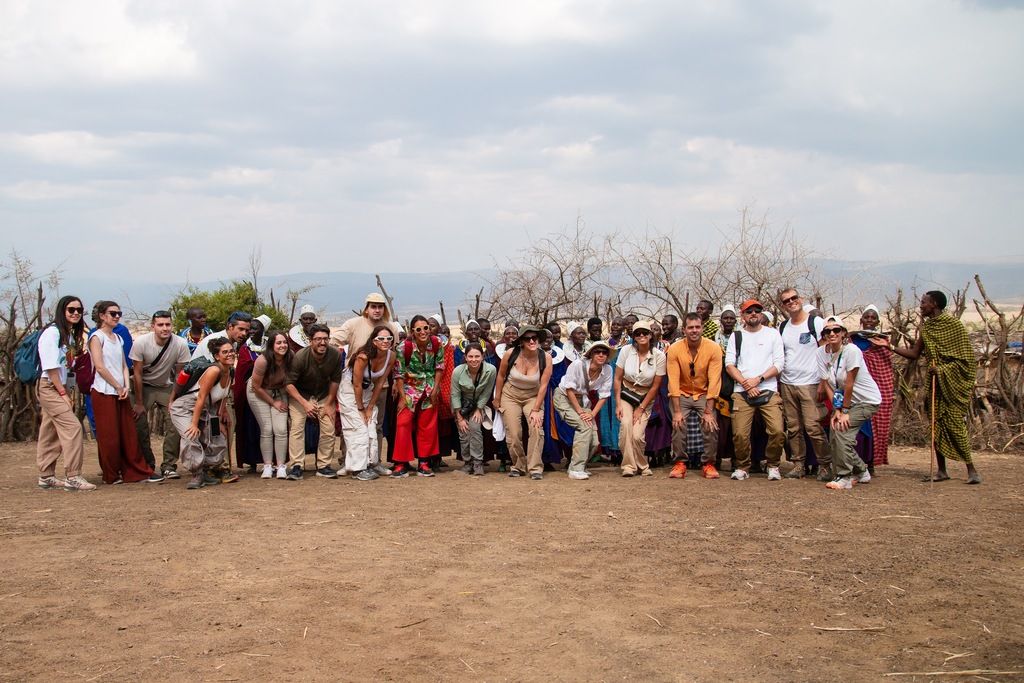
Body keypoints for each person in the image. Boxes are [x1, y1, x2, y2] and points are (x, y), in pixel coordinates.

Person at [871, 291, 981, 484]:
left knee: (955, 425)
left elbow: (966, 361)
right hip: (935, 383)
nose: (921, 306)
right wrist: (889, 346)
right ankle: (941, 470)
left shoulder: (954, 326)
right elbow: (914, 353)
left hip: (952, 384)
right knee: (935, 425)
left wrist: (943, 369)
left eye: (924, 302)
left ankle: (971, 469)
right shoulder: (928, 327)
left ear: (935, 303)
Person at [88, 301, 157, 484]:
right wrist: (117, 386)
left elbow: (124, 366)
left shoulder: (118, 338)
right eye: (113, 313)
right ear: (102, 316)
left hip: (121, 392)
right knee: (109, 435)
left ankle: (135, 470)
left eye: (119, 313)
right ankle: (111, 473)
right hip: (103, 391)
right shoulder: (97, 338)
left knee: (128, 432)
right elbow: (100, 367)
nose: (117, 316)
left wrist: (125, 386)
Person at [35, 295, 96, 491]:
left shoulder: (67, 335)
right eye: (71, 310)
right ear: (62, 311)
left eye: (79, 310)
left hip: (58, 385)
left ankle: (46, 475)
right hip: (50, 385)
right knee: (73, 427)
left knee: (50, 429)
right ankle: (73, 475)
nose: (76, 313)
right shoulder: (52, 333)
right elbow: (51, 366)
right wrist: (62, 392)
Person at [725, 299, 785, 481]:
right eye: (748, 311)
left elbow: (779, 363)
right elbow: (729, 364)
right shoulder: (737, 337)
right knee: (740, 434)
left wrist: (758, 380)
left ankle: (773, 464)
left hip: (768, 389)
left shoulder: (773, 335)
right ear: (742, 315)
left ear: (761, 314)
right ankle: (743, 466)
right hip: (742, 391)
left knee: (777, 431)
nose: (753, 314)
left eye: (757, 311)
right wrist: (746, 384)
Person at [818, 317, 879, 490]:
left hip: (865, 400)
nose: (832, 334)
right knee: (834, 434)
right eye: (827, 331)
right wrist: (836, 410)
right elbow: (828, 384)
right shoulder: (821, 353)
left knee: (843, 432)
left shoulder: (852, 350)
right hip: (844, 401)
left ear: (843, 333)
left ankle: (844, 476)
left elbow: (850, 382)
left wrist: (844, 411)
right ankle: (861, 471)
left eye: (836, 330)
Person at [191, 311, 252, 483]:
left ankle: (220, 467)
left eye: (246, 330)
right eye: (240, 329)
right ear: (230, 327)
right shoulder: (216, 343)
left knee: (224, 427)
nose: (244, 334)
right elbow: (212, 375)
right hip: (204, 394)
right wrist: (221, 409)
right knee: (216, 429)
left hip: (219, 394)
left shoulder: (232, 343)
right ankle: (215, 469)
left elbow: (227, 374)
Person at [129, 310, 191, 479]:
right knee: (139, 424)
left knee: (176, 422)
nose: (165, 328)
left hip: (165, 386)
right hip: (143, 386)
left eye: (168, 324)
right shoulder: (141, 343)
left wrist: (174, 399)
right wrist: (139, 402)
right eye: (160, 325)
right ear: (153, 326)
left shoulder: (180, 344)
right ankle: (147, 464)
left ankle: (169, 464)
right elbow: (138, 373)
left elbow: (180, 375)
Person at [170, 338, 235, 489]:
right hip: (186, 407)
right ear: (217, 356)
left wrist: (219, 417)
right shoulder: (214, 370)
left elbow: (223, 395)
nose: (229, 354)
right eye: (225, 352)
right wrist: (194, 424)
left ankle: (206, 470)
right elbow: (201, 397)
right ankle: (196, 473)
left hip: (207, 409)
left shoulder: (230, 370)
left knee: (216, 438)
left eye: (231, 351)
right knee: (191, 436)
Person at [777, 288, 829, 479]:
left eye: (794, 298)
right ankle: (798, 464)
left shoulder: (815, 322)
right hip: (788, 382)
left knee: (813, 427)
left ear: (801, 299)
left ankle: (824, 464)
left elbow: (826, 351)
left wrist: (824, 381)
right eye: (786, 300)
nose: (791, 302)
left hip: (811, 383)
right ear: (783, 305)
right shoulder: (783, 327)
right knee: (794, 427)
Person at [666, 313, 724, 479]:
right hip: (682, 393)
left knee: (710, 424)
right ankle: (680, 462)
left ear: (702, 329)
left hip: (704, 393)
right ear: (684, 330)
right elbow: (673, 381)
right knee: (678, 423)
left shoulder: (713, 348)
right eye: (690, 327)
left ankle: (708, 463)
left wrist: (708, 410)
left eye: (697, 327)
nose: (694, 331)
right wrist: (677, 411)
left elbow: (715, 380)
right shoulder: (675, 349)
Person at [494, 326, 554, 480]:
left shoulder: (545, 357)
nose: (532, 341)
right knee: (513, 432)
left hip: (533, 396)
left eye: (535, 337)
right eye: (527, 338)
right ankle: (518, 465)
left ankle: (535, 467)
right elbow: (501, 376)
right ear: (521, 341)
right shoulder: (511, 354)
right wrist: (497, 398)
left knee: (535, 426)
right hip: (510, 395)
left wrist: (535, 409)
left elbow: (544, 386)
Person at [339, 325, 397, 481]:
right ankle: (357, 468)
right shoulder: (363, 357)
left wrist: (370, 407)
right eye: (381, 339)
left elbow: (380, 382)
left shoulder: (391, 356)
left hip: (367, 389)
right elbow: (356, 384)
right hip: (350, 390)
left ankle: (372, 462)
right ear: (374, 341)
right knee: (357, 427)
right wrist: (360, 409)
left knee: (371, 424)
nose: (385, 341)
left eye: (389, 338)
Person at [284, 324, 342, 480]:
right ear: (311, 341)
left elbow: (335, 380)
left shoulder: (335, 355)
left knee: (329, 427)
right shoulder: (300, 357)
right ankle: (297, 465)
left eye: (325, 339)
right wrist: (305, 404)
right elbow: (289, 384)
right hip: (300, 394)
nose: (322, 343)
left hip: (323, 394)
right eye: (318, 339)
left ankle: (323, 465)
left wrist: (330, 403)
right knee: (297, 426)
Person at [392, 315, 444, 477]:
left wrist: (436, 389)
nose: (423, 332)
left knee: (428, 426)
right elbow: (399, 374)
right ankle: (401, 463)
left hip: (429, 390)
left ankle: (424, 462)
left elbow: (439, 367)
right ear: (412, 331)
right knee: (403, 424)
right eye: (419, 329)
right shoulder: (403, 348)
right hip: (409, 390)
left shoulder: (436, 343)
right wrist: (402, 397)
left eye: (426, 328)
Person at [614, 320, 666, 477]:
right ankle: (629, 466)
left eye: (645, 332)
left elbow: (656, 386)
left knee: (637, 435)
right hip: (627, 393)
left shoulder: (659, 356)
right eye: (638, 333)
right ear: (633, 336)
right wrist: (617, 404)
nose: (641, 335)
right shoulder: (625, 351)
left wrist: (642, 408)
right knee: (625, 425)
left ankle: (642, 464)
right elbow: (617, 379)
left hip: (645, 397)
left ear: (650, 335)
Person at [553, 342, 612, 480]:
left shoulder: (607, 370)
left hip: (582, 400)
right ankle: (575, 469)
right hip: (564, 397)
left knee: (595, 441)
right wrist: (580, 412)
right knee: (584, 426)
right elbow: (569, 389)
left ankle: (581, 465)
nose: (601, 354)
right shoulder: (577, 365)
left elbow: (604, 395)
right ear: (591, 354)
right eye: (597, 352)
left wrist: (592, 414)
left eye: (604, 352)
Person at [850, 305, 894, 472]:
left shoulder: (884, 342)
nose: (869, 320)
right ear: (861, 320)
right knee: (859, 425)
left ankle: (872, 462)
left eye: (873, 318)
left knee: (878, 423)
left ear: (878, 321)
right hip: (857, 387)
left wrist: (882, 346)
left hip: (880, 385)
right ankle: (858, 461)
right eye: (866, 317)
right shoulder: (853, 340)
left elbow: (886, 367)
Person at [247, 331, 292, 479]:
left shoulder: (290, 357)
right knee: (267, 428)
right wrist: (273, 402)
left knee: (280, 428)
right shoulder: (263, 360)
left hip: (279, 391)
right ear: (272, 345)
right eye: (278, 343)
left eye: (284, 342)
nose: (282, 345)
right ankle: (267, 465)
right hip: (258, 391)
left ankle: (280, 465)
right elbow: (256, 386)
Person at [450, 342, 497, 475]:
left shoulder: (490, 370)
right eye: (470, 356)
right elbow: (454, 395)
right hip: (461, 405)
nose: (474, 360)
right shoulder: (458, 371)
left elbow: (487, 392)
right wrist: (459, 418)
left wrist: (479, 409)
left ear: (482, 356)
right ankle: (467, 463)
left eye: (477, 356)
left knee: (475, 428)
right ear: (465, 357)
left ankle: (477, 462)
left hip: (478, 404)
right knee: (463, 431)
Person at [233, 314, 271, 473]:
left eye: (255, 329)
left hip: (268, 391)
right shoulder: (244, 348)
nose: (251, 332)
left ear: (263, 330)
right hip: (249, 394)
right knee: (249, 427)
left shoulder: (270, 345)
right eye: (250, 329)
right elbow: (241, 371)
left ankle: (269, 461)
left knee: (267, 427)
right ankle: (251, 461)